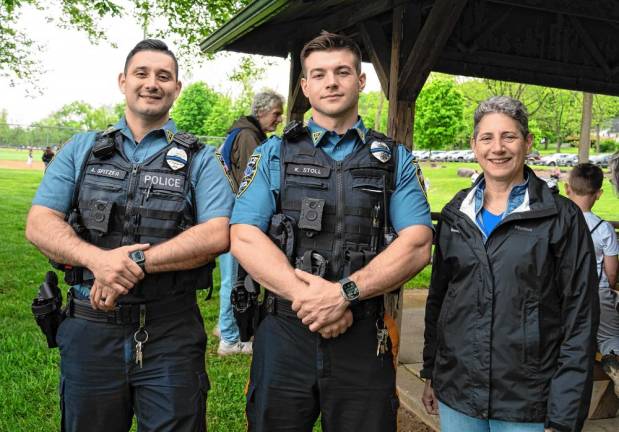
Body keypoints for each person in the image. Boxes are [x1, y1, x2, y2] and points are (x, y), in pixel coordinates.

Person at [25, 39, 234, 432]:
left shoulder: (201, 158)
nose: (152, 83)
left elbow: (217, 233)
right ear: (123, 81)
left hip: (170, 332)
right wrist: (98, 260)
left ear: (176, 88)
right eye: (142, 73)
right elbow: (39, 222)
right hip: (91, 326)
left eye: (163, 76)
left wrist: (133, 262)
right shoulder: (82, 149)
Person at [230, 31, 433, 431]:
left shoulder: (394, 159)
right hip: (285, 329)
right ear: (305, 86)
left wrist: (344, 294)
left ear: (360, 81)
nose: (332, 82)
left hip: (362, 332)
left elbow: (417, 243)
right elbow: (244, 236)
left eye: (343, 72)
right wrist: (311, 300)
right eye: (319, 74)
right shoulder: (274, 153)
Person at [421, 96, 599, 432]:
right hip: (459, 394)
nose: (497, 148)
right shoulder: (455, 214)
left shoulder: (562, 218)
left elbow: (581, 319)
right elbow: (440, 300)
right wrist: (431, 370)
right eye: (487, 138)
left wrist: (565, 413)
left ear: (528, 142)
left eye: (509, 137)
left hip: (528, 403)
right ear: (474, 145)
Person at [215, 89, 284, 356]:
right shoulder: (248, 137)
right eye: (276, 113)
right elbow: (254, 184)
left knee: (231, 276)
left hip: (228, 215)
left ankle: (225, 328)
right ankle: (231, 339)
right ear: (262, 111)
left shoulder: (242, 131)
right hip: (236, 219)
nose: (278, 119)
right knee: (234, 279)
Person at [566, 163, 619, 396]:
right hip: (597, 292)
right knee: (609, 335)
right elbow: (612, 272)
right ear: (599, 193)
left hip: (564, 294)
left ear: (567, 189)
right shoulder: (604, 229)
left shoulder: (558, 223)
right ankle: (614, 359)